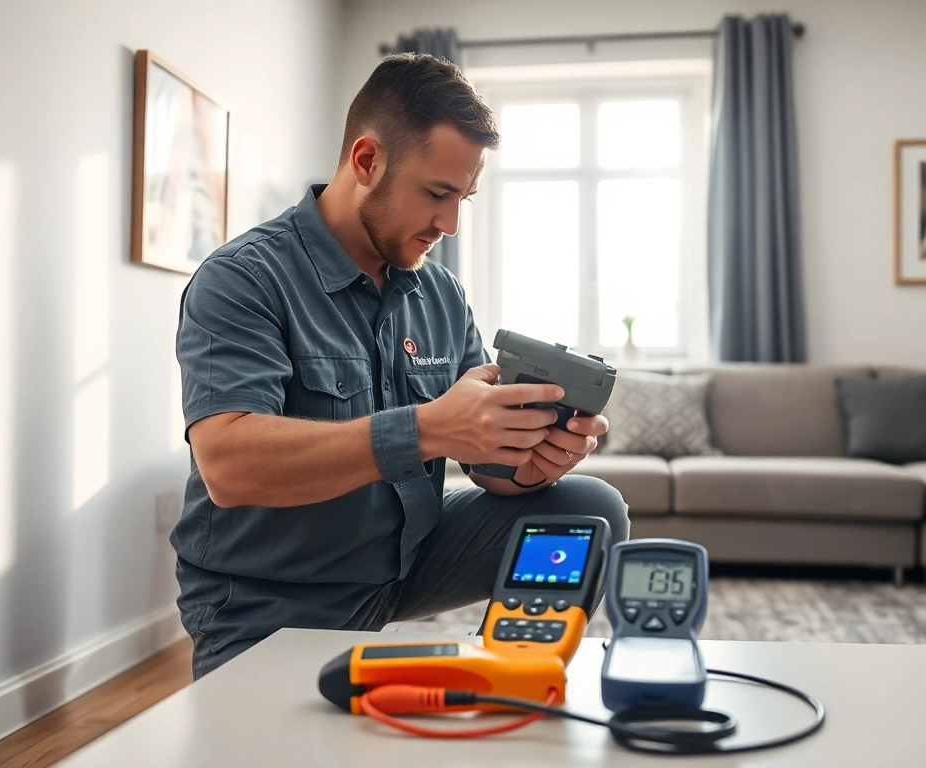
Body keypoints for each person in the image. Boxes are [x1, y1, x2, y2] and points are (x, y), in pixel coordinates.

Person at [170, 54, 630, 678]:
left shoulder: (440, 293)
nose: (451, 224)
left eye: (463, 198)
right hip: (268, 599)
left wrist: (529, 462)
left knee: (589, 507)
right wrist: (427, 429)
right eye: (438, 194)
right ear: (366, 161)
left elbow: (487, 468)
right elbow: (228, 465)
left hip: (401, 567)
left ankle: (506, 675)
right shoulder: (243, 278)